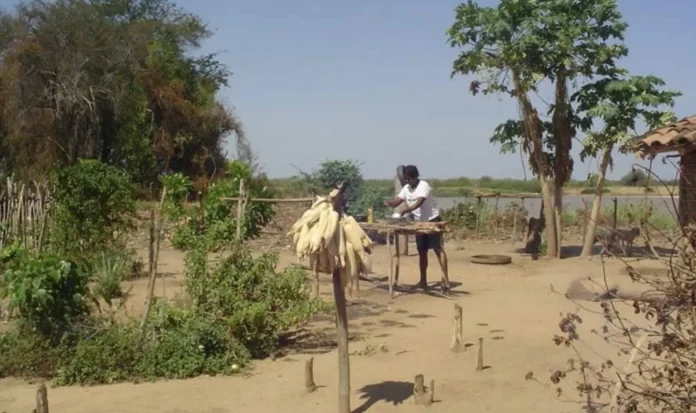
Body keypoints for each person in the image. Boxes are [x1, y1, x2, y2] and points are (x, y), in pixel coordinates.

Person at [383, 165, 448, 291]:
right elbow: (398, 201)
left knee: (438, 250)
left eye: (409, 179)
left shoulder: (424, 185)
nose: (407, 182)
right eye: (406, 179)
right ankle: (423, 281)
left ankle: (445, 280)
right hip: (419, 224)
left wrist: (405, 210)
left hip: (432, 221)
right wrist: (390, 203)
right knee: (422, 253)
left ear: (415, 177)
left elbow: (419, 202)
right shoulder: (407, 188)